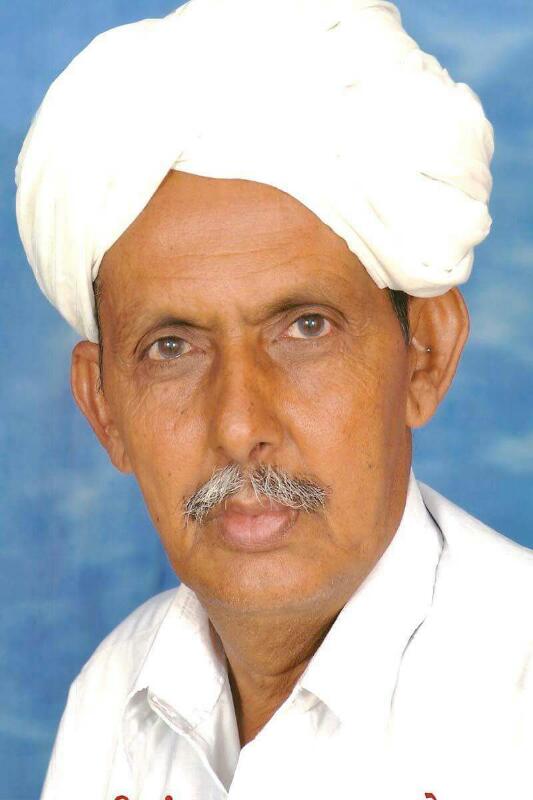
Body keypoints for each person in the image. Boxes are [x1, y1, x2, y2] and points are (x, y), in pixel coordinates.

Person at [15, 1, 532, 798]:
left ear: (424, 356)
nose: (238, 425)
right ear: (104, 408)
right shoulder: (114, 697)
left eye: (304, 328)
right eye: (171, 347)